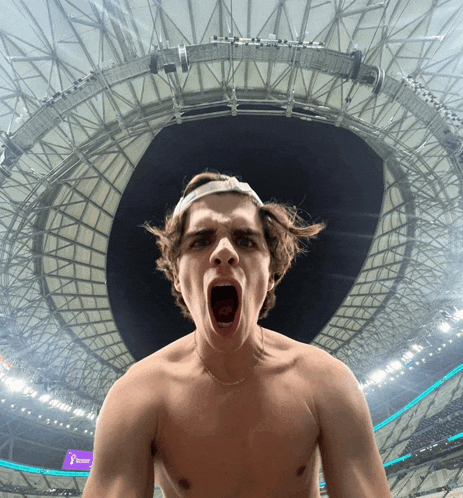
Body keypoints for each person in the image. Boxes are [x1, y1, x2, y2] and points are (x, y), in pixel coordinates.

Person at [83, 170, 391, 497]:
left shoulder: (326, 382)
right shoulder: (137, 396)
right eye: (201, 241)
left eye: (245, 240)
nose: (225, 252)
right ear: (176, 274)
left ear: (272, 273)